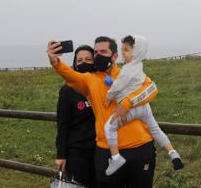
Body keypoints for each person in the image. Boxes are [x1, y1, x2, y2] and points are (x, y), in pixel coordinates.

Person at [48, 36, 159, 188]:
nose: (98, 55)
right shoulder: (89, 80)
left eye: (103, 51)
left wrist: (127, 103)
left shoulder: (130, 73)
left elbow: (151, 89)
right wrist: (56, 62)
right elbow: (69, 74)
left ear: (114, 56)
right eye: (96, 52)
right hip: (106, 152)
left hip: (139, 148)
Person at [103, 36, 182, 175]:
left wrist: (109, 96)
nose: (123, 53)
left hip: (130, 109)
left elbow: (118, 86)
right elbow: (130, 84)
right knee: (155, 130)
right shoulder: (139, 66)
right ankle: (172, 152)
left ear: (137, 52)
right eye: (122, 50)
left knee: (109, 127)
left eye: (126, 50)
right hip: (144, 107)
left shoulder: (128, 68)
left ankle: (116, 158)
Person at [55, 45, 97, 187]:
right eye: (79, 60)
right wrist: (61, 155)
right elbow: (62, 124)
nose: (83, 63)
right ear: (74, 64)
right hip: (77, 152)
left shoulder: (101, 86)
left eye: (88, 59)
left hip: (101, 150)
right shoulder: (68, 90)